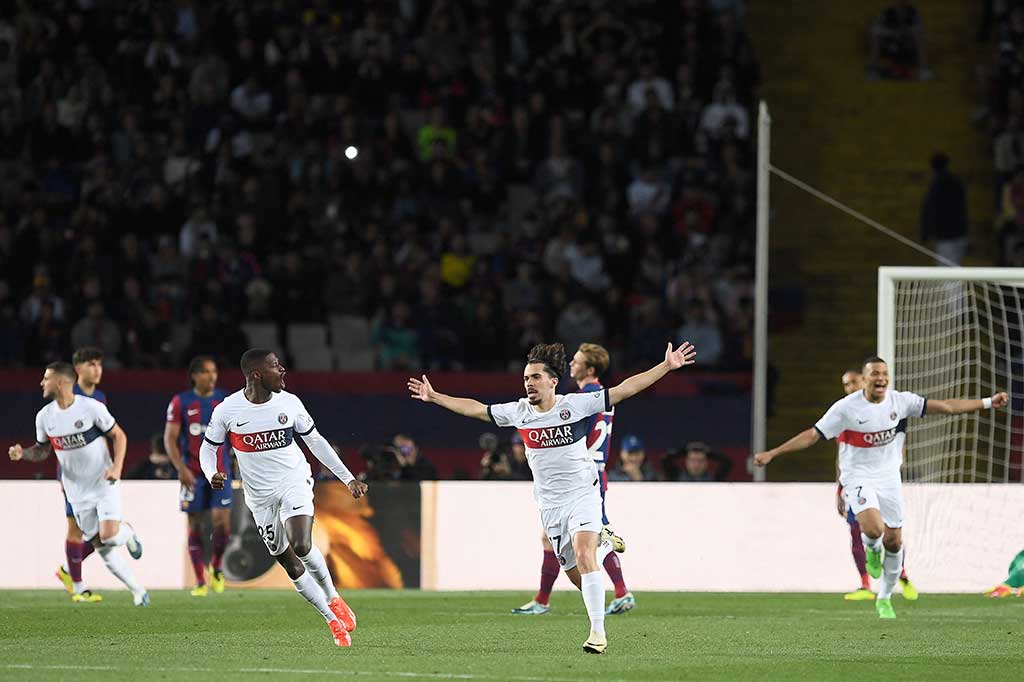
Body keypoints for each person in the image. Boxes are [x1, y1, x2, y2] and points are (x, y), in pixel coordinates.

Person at [408, 340, 697, 653]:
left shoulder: (574, 405)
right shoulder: (518, 412)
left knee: (583, 555)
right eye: (525, 379)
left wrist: (666, 366)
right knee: (577, 575)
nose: (528, 383)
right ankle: (602, 547)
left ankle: (597, 634)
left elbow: (626, 389)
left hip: (583, 493)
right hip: (550, 505)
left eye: (534, 377)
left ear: (552, 381)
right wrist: (435, 397)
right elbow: (476, 408)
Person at [755, 356, 1008, 619]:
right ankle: (872, 551)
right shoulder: (845, 409)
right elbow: (812, 434)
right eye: (875, 374)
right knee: (873, 529)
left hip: (889, 478)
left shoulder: (901, 402)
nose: (881, 379)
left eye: (884, 374)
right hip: (858, 476)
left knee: (895, 541)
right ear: (864, 379)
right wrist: (774, 453)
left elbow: (946, 406)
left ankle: (885, 597)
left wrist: (988, 402)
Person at [198, 349, 368, 647]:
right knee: (289, 563)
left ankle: (333, 596)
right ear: (256, 375)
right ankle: (330, 618)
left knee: (301, 543)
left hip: (294, 482)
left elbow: (315, 441)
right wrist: (211, 471)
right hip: (259, 499)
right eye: (276, 366)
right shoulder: (228, 410)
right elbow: (208, 447)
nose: (283, 370)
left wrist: (348, 478)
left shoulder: (290, 403)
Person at [511, 343, 635, 618]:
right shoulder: (598, 395)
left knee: (586, 544)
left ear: (589, 369)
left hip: (582, 476)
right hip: (595, 470)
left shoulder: (583, 398)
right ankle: (545, 599)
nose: (571, 365)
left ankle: (619, 590)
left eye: (577, 361)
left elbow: (575, 432)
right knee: (552, 538)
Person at [9, 362, 148, 606]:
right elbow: (42, 451)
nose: (42, 383)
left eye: (46, 378)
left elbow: (119, 435)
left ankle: (128, 533)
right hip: (76, 491)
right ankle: (138, 591)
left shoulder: (91, 408)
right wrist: (24, 454)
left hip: (103, 482)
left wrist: (116, 467)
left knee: (109, 535)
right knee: (100, 546)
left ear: (61, 382)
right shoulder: (44, 417)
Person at [836, 368, 918, 602]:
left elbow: (897, 444)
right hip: (857, 482)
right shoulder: (845, 413)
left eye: (853, 382)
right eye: (845, 384)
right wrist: (840, 488)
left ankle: (902, 575)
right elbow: (842, 456)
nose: (849, 387)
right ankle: (865, 584)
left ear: (864, 381)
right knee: (858, 530)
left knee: (891, 531)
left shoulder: (890, 408)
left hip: (883, 480)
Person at [164, 355, 230, 597]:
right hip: (191, 472)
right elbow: (169, 438)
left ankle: (218, 567)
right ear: (194, 375)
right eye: (206, 372)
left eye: (214, 371)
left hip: (219, 472)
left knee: (221, 522)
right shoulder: (181, 402)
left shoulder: (224, 401)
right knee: (195, 523)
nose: (212, 376)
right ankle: (200, 581)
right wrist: (180, 469)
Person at [55, 347, 108, 602]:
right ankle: (77, 587)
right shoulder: (66, 398)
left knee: (106, 534)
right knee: (76, 529)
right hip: (74, 475)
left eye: (99, 364)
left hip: (98, 475)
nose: (97, 369)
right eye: (91, 364)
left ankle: (66, 571)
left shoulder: (99, 397)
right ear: (78, 370)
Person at [920, 152, 968, 265]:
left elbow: (930, 210)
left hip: (946, 234)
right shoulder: (956, 182)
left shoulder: (937, 185)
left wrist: (926, 232)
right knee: (952, 266)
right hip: (958, 232)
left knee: (947, 270)